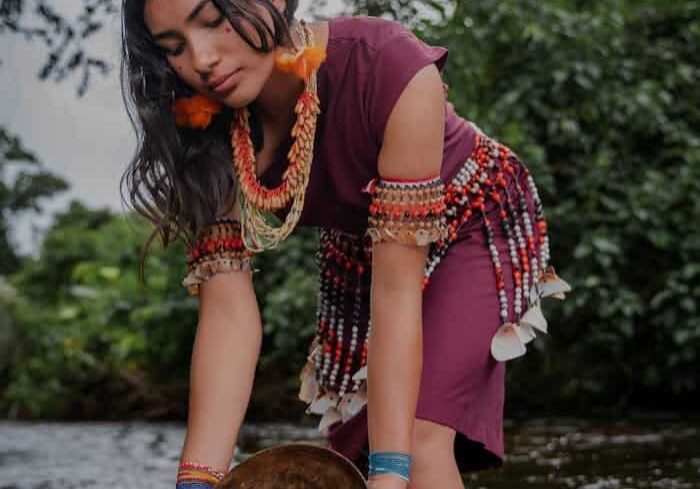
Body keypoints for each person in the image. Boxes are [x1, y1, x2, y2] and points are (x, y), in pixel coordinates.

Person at [119, 1, 571, 488]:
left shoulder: (391, 67)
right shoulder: (202, 128)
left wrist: (391, 474)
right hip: (363, 251)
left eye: (212, 22)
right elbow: (227, 314)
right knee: (355, 454)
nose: (202, 59)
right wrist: (197, 481)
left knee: (413, 445)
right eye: (174, 48)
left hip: (473, 219)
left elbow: (397, 294)